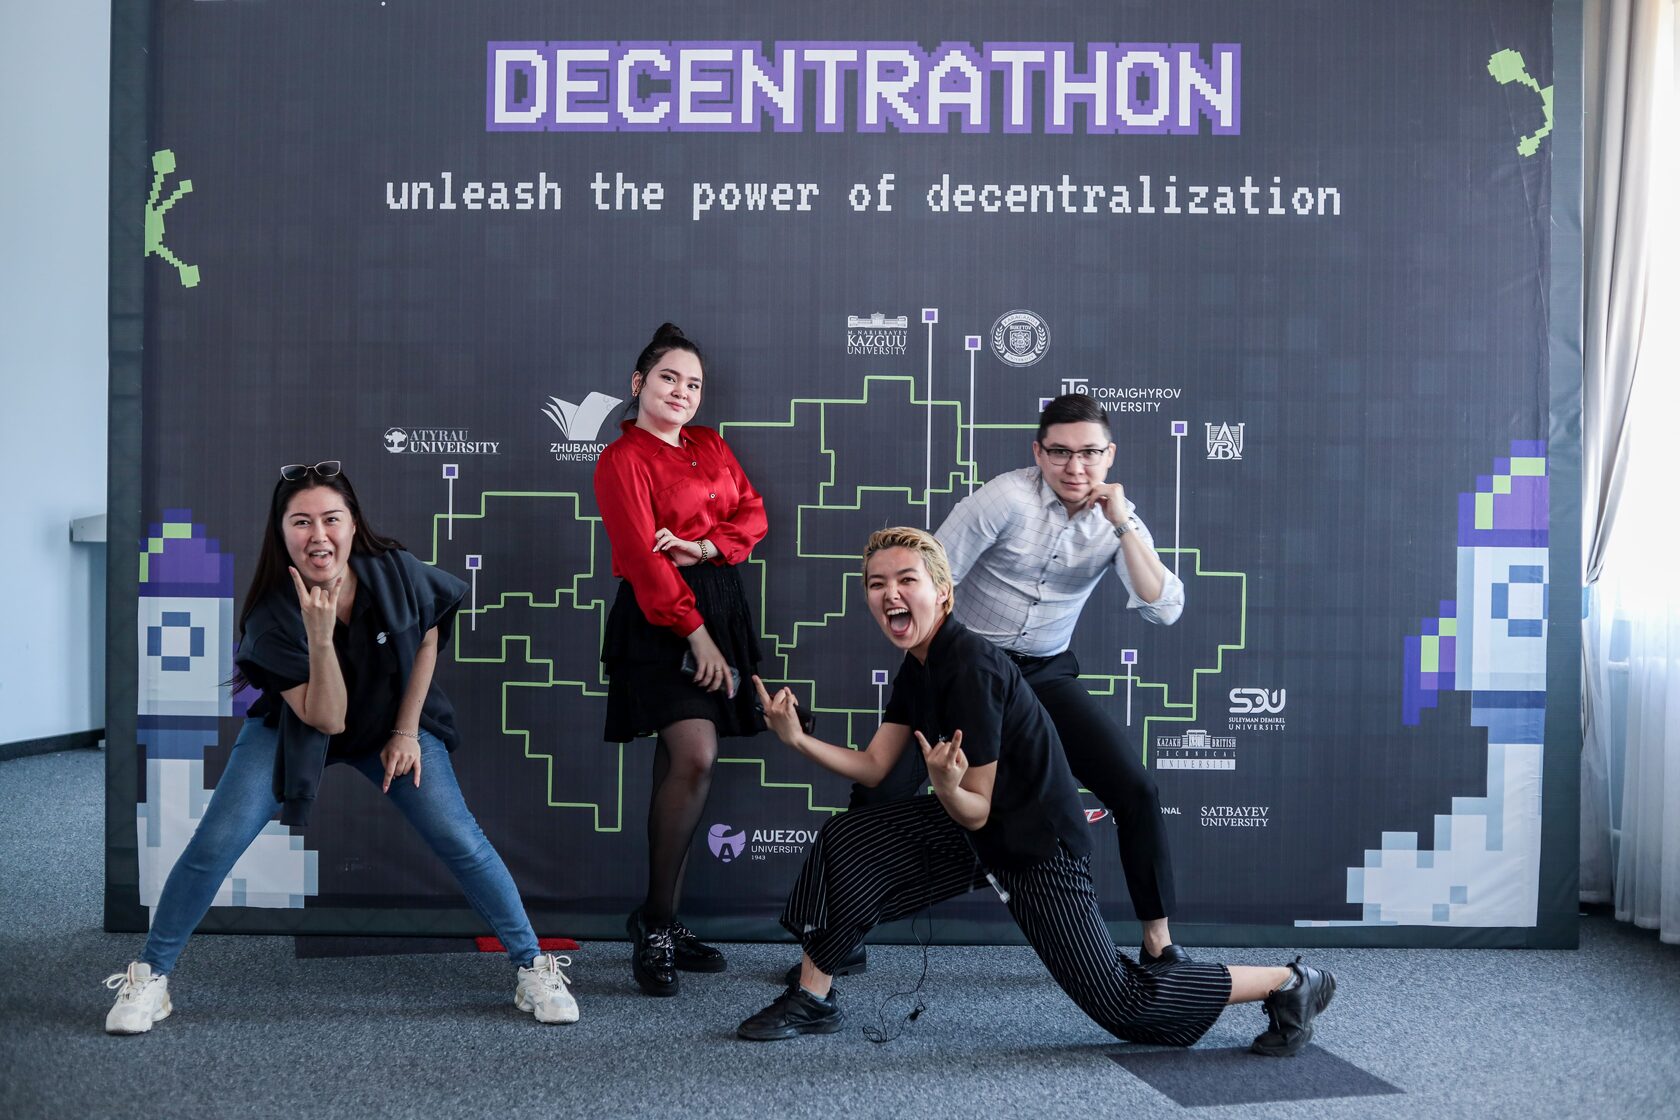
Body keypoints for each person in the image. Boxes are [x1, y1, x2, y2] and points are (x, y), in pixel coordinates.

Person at [739, 528, 1336, 1056]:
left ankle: (1288, 982)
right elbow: (875, 767)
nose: (890, 593)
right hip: (979, 824)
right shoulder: (919, 663)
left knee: (1124, 1005)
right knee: (851, 836)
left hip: (1036, 844)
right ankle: (813, 997)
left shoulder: (969, 667)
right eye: (877, 584)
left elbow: (975, 809)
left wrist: (944, 784)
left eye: (906, 580)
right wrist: (796, 739)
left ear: (943, 593)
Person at [103, 461, 577, 1034]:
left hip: (389, 724)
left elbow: (428, 635)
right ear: (281, 532)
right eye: (301, 522)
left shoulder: (393, 570)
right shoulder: (270, 617)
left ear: (353, 524)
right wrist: (320, 635)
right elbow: (326, 718)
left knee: (460, 839)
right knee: (215, 844)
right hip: (297, 731)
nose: (318, 535)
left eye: (331, 519)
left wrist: (406, 731)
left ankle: (532, 967)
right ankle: (151, 976)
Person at [936, 392, 1188, 967]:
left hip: (1044, 672)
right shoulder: (1006, 496)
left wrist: (1121, 525)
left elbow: (1165, 608)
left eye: (1090, 453)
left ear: (1110, 455)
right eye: (1060, 452)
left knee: (1136, 790)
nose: (1076, 467)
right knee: (888, 781)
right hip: (968, 664)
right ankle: (835, 936)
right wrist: (943, 665)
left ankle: (1159, 944)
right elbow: (933, 575)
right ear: (1038, 452)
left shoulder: (1118, 519)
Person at [593, 323, 769, 996]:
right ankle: (658, 923)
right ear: (639, 383)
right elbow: (641, 558)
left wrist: (705, 548)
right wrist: (695, 635)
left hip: (721, 602)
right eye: (669, 378)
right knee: (695, 755)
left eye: (693, 384)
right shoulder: (621, 459)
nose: (682, 392)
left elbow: (752, 515)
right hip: (659, 619)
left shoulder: (711, 444)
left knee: (680, 767)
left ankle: (660, 918)